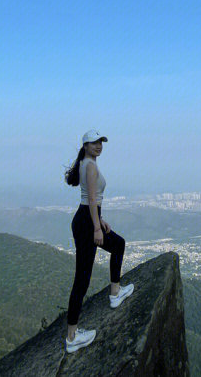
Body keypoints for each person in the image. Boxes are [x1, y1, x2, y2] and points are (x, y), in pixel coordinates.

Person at [62, 130, 135, 352]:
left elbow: (89, 199)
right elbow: (91, 199)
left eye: (101, 142)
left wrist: (100, 220)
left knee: (118, 245)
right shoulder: (90, 166)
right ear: (85, 146)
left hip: (86, 219)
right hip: (86, 224)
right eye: (94, 143)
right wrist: (96, 227)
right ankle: (72, 337)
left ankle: (115, 292)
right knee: (82, 280)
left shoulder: (86, 163)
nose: (99, 145)